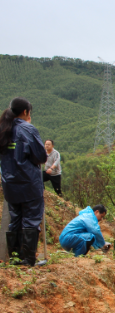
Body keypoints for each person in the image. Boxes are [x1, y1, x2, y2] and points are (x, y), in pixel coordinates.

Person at [0, 98, 48, 267]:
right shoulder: (27, 129)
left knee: (15, 219)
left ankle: (15, 259)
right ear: (26, 112)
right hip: (28, 182)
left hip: (9, 183)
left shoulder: (3, 128)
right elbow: (41, 156)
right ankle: (28, 260)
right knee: (31, 219)